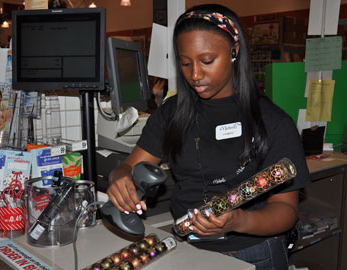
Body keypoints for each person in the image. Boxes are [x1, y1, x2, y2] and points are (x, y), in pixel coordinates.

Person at [106, 4, 311, 269]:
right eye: (185, 63)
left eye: (207, 61)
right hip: (187, 248)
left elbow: (287, 211)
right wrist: (120, 177)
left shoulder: (272, 122)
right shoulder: (172, 113)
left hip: (251, 253)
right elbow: (128, 167)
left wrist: (240, 221)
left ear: (234, 52)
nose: (195, 75)